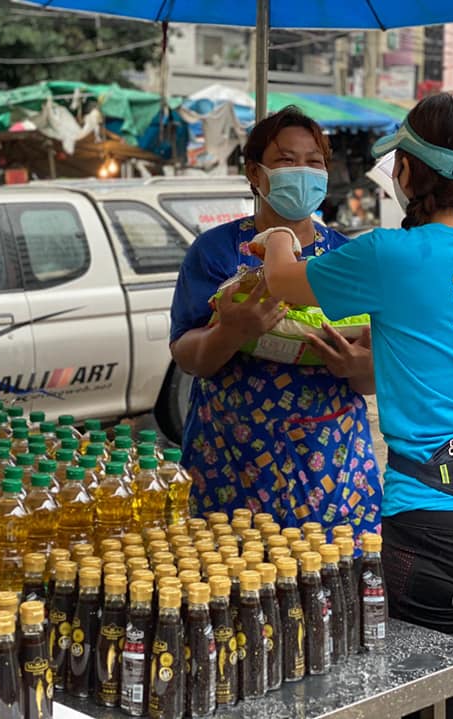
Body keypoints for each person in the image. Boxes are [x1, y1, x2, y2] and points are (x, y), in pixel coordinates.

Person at [261, 93, 453, 719]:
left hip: (434, 527)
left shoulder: (387, 254)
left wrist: (274, 236)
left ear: (406, 173)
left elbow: (282, 281)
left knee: (429, 704)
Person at [169, 106, 382, 540]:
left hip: (331, 457)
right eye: (286, 160)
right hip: (231, 454)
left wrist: (361, 370)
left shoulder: (347, 258)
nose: (302, 171)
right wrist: (231, 332)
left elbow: (377, 363)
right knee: (233, 583)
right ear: (255, 173)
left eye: (314, 161)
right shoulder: (216, 251)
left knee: (330, 582)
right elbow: (188, 354)